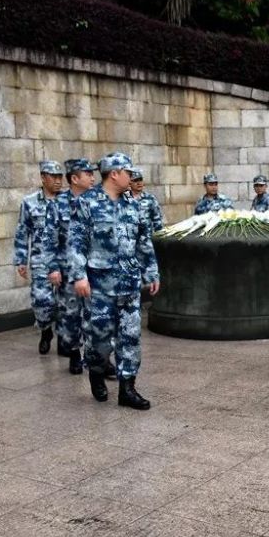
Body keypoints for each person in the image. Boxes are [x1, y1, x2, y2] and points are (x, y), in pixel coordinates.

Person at [68, 152, 160, 410]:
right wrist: (79, 276)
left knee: (130, 336)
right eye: (128, 172)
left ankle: (127, 389)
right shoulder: (87, 202)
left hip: (128, 283)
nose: (132, 177)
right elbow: (76, 242)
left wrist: (151, 272)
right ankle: (97, 374)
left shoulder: (132, 203)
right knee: (99, 339)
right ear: (115, 173)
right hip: (98, 285)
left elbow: (143, 240)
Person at [50, 158, 96, 375]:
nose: (92, 177)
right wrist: (52, 268)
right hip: (68, 271)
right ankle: (75, 354)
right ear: (74, 178)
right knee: (71, 314)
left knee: (97, 315)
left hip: (95, 269)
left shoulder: (98, 201)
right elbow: (48, 240)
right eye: (88, 174)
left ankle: (98, 358)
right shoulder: (58, 204)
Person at [13, 160, 63, 354]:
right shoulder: (30, 202)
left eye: (60, 177)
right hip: (40, 261)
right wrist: (20, 259)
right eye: (54, 177)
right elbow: (22, 232)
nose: (58, 181)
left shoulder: (68, 200)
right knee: (41, 301)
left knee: (66, 303)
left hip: (64, 261)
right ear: (43, 177)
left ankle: (67, 341)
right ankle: (45, 330)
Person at [128, 168, 164, 233]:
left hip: (146, 239)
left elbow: (157, 220)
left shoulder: (150, 198)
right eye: (135, 181)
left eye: (140, 180)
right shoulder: (125, 199)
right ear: (130, 183)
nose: (139, 183)